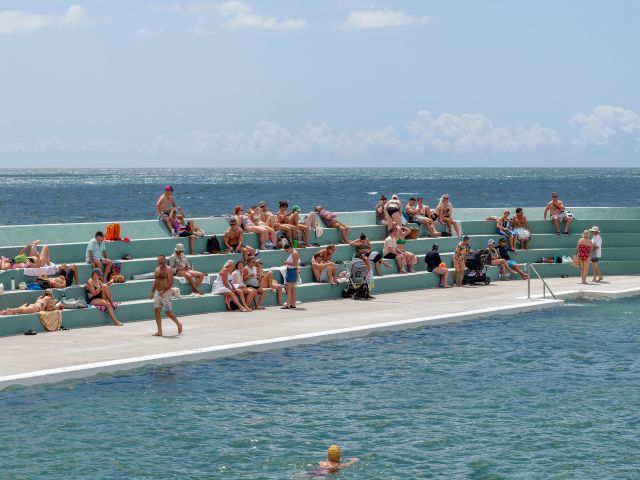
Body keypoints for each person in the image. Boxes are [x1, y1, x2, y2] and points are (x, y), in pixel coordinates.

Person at [149, 255, 182, 336]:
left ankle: (178, 324)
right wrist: (152, 292)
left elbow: (171, 282)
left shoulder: (168, 269)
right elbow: (155, 282)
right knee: (156, 310)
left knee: (168, 312)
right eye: (159, 260)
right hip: (158, 292)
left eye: (162, 260)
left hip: (166, 293)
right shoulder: (156, 270)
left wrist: (164, 290)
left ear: (165, 260)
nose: (160, 261)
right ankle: (159, 331)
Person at [281, 244, 299, 309]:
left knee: (288, 289)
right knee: (292, 289)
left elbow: (295, 264)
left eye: (287, 250)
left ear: (290, 248)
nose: (287, 252)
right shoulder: (293, 253)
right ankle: (293, 304)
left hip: (292, 271)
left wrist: (286, 262)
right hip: (291, 271)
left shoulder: (294, 253)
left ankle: (288, 305)